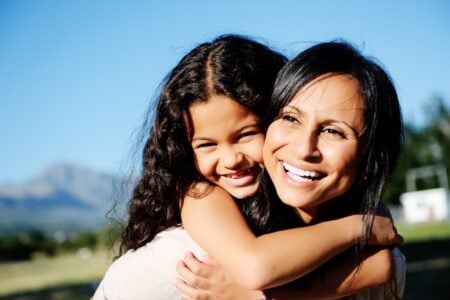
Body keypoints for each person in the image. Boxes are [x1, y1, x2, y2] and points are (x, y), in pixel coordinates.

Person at [93, 35, 401, 300]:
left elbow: (386, 264)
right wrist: (362, 227)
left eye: (245, 135)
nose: (231, 160)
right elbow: (256, 267)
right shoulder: (199, 211)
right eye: (207, 145)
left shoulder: (298, 222)